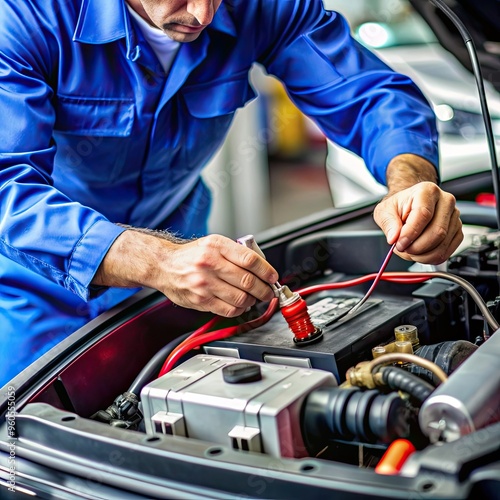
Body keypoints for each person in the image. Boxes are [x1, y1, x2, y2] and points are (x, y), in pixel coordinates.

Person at [0, 0, 463, 386]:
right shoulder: (26, 16)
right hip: (36, 278)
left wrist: (411, 183)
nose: (203, 14)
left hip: (184, 258)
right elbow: (7, 189)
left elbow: (370, 94)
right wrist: (157, 262)